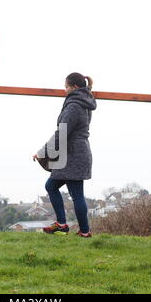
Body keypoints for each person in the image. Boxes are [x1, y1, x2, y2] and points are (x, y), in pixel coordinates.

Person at [33, 72, 96, 237]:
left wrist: (42, 152)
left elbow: (62, 133)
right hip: (76, 153)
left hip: (72, 155)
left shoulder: (74, 105)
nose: (64, 90)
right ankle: (64, 224)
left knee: (76, 194)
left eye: (66, 87)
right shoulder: (84, 100)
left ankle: (83, 231)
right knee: (52, 186)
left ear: (74, 87)